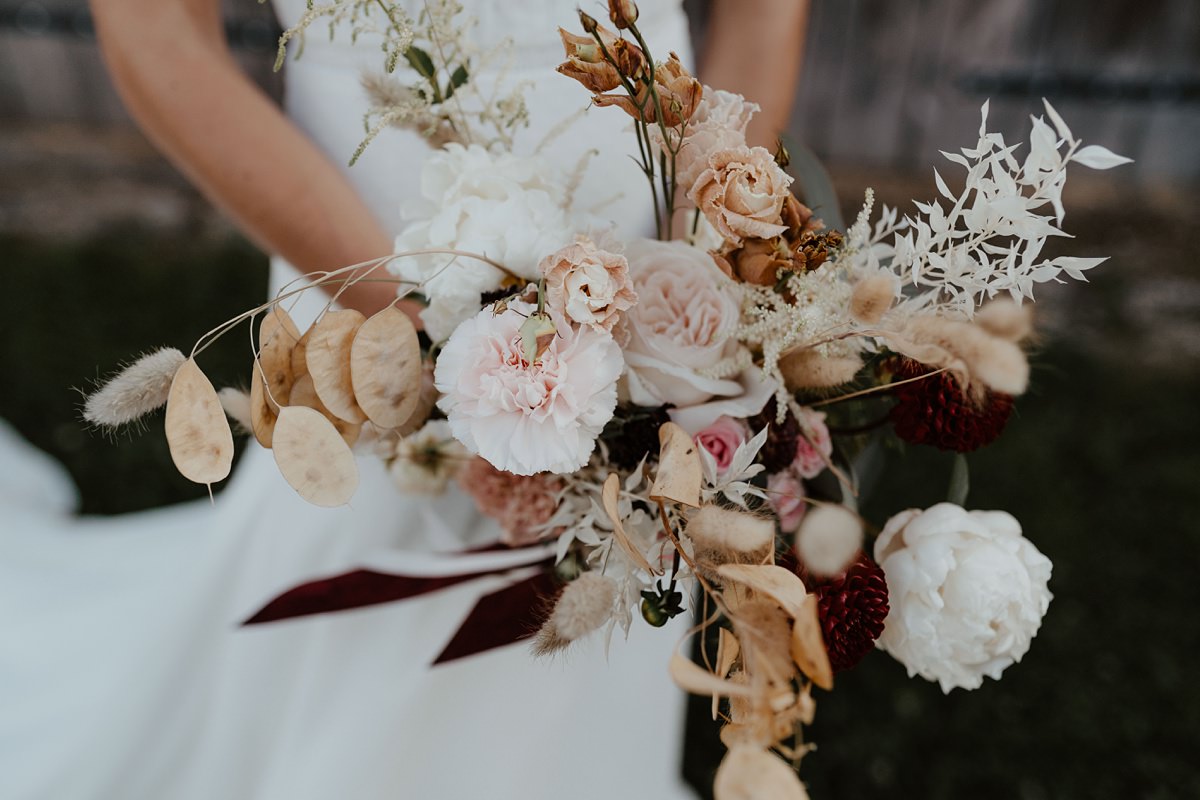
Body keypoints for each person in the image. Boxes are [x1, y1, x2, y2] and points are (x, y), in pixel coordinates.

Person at [0, 1, 808, 797]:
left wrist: (684, 297)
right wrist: (419, 339)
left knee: (617, 549)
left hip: (643, 199)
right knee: (356, 564)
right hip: (361, 221)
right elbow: (154, 27)